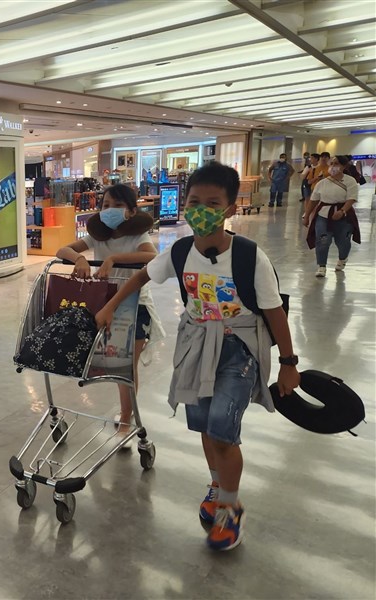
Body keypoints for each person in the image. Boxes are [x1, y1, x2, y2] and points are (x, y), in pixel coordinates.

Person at [95, 163, 299, 551]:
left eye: (212, 202)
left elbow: (274, 312)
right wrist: (111, 306)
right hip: (195, 346)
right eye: (194, 201)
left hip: (238, 350)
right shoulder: (181, 250)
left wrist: (289, 365)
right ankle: (216, 483)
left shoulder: (249, 257)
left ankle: (229, 509)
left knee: (222, 428)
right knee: (205, 424)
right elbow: (141, 277)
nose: (200, 209)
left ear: (229, 209)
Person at [56, 184, 165, 440]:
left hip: (135, 307)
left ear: (131, 211)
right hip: (105, 306)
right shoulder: (98, 237)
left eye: (117, 206)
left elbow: (151, 256)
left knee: (126, 367)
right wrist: (80, 259)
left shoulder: (138, 237)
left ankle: (126, 419)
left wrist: (113, 259)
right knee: (112, 363)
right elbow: (64, 250)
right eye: (105, 205)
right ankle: (126, 415)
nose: (110, 210)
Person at [303, 155, 361, 277]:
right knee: (322, 240)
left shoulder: (350, 181)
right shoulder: (322, 183)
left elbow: (351, 199)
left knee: (343, 241)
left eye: (337, 164)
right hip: (323, 215)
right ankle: (321, 266)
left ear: (344, 166)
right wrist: (307, 216)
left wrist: (342, 211)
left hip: (344, 216)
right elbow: (313, 200)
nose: (333, 167)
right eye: (332, 164)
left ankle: (342, 259)